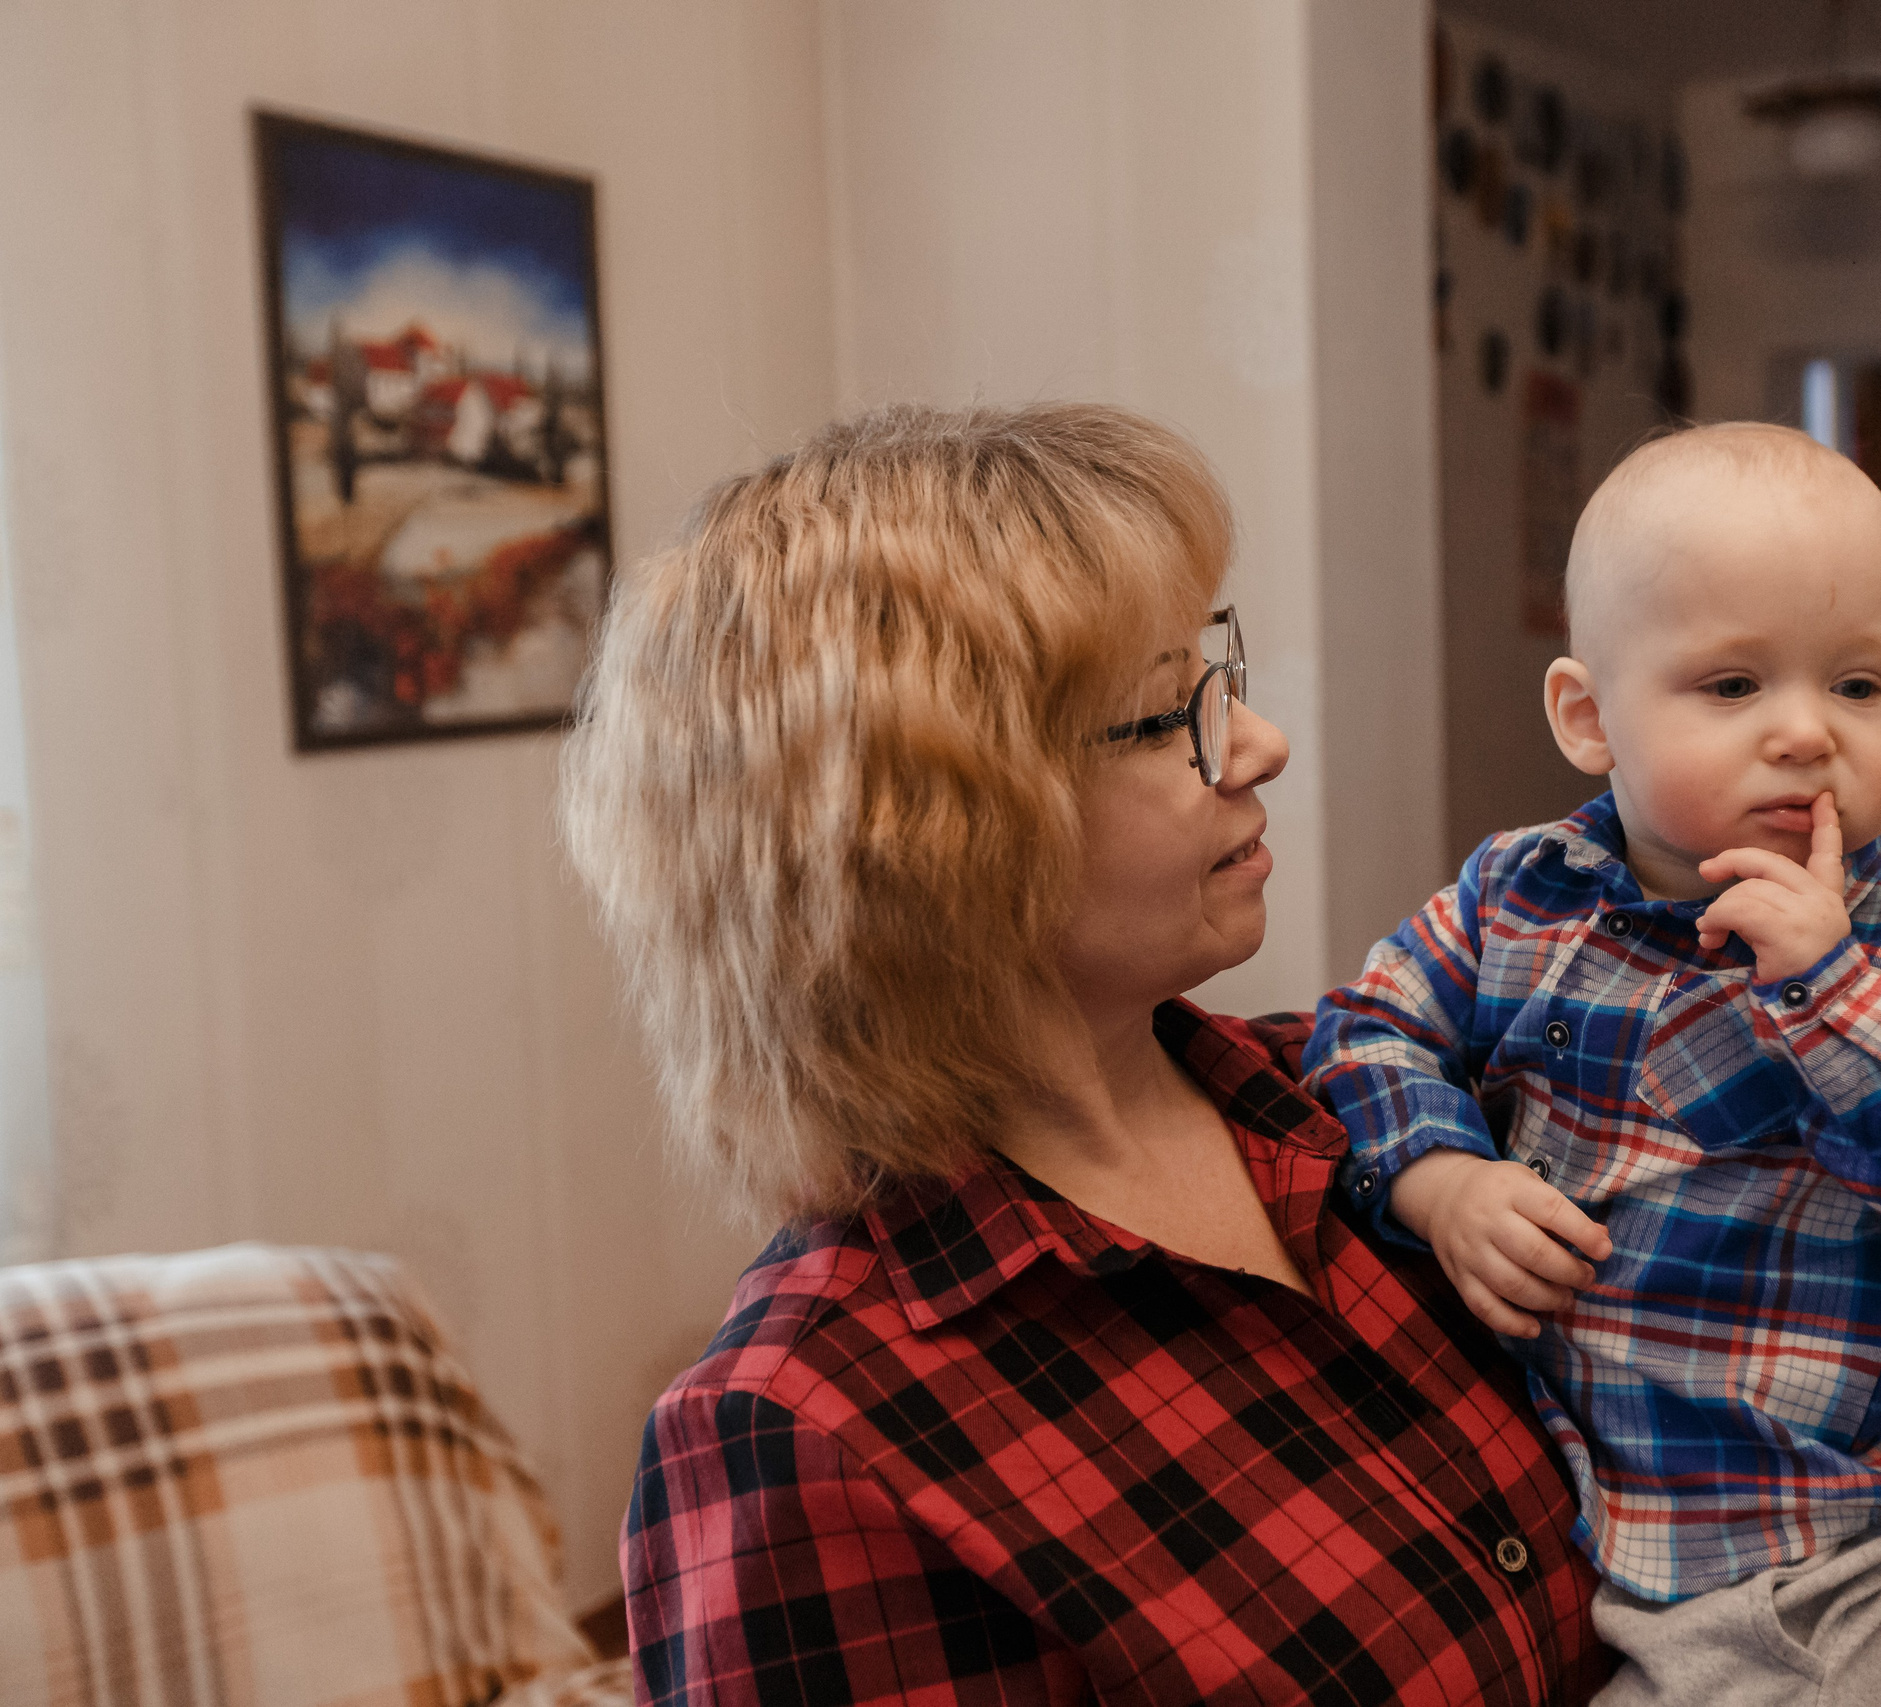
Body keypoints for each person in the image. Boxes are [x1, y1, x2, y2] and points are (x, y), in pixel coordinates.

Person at [561, 403, 1611, 1705]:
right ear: (928, 839)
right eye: (1168, 714)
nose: (1261, 743)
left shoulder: (1370, 1099)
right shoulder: (812, 1434)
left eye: (1216, 674)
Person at [1305, 423, 1881, 1706]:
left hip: (1825, 1550)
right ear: (1587, 717)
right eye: (1732, 686)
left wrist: (1834, 992)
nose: (1806, 733)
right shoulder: (1516, 895)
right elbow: (1361, 1029)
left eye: (1857, 686)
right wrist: (1439, 1183)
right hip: (1587, 1510)